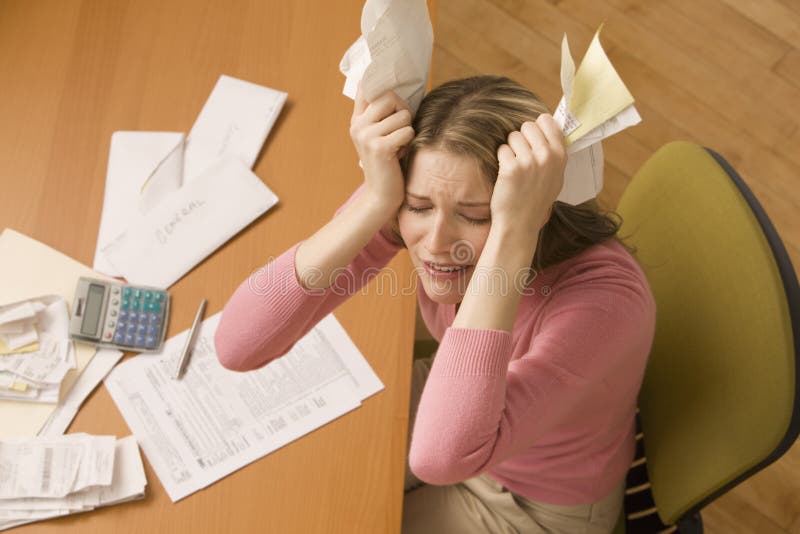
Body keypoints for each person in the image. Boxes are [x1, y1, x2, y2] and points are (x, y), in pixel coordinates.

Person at [214, 75, 656, 533]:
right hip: (456, 405)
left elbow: (439, 459)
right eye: (417, 208)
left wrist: (513, 234)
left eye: (475, 216)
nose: (436, 243)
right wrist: (376, 199)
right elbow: (237, 345)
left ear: (533, 207)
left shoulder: (605, 303)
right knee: (297, 490)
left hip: (531, 501)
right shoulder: (427, 195)